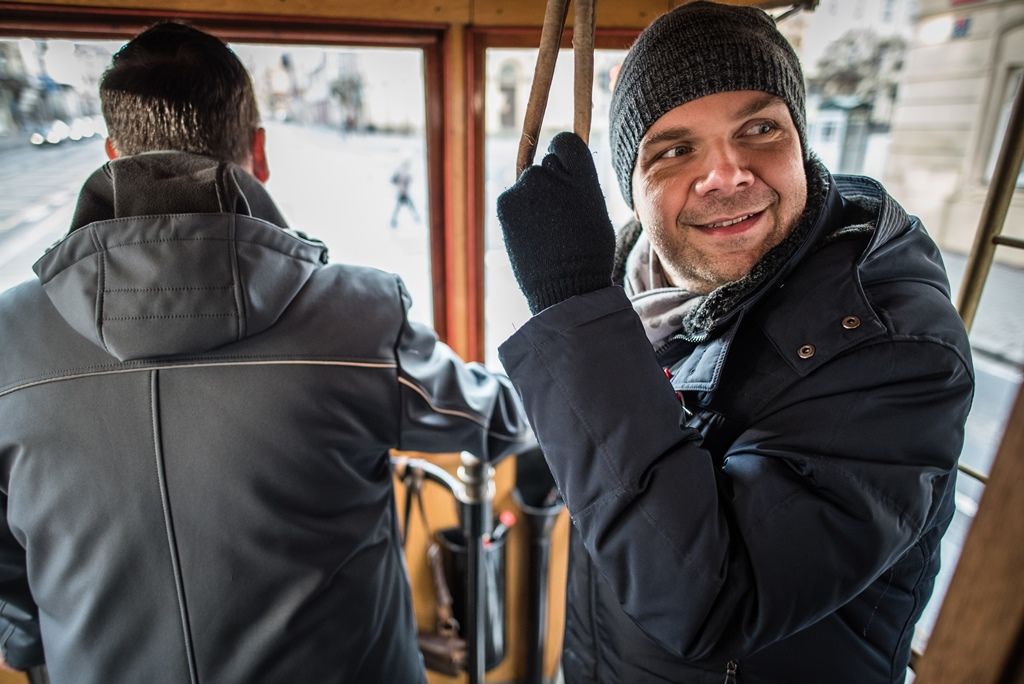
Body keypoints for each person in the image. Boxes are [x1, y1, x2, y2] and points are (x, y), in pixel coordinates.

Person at [0, 22, 530, 684]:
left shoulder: (7, 340)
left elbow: (11, 580)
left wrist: (34, 652)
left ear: (113, 153)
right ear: (258, 149)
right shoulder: (358, 321)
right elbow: (499, 421)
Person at [496, 2, 974, 682]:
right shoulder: (636, 295)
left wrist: (571, 303)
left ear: (801, 144)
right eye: (674, 149)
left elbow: (710, 602)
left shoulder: (892, 348)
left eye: (759, 129)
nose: (727, 174)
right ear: (633, 190)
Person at [390, 159, 420, 228]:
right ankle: (393, 221)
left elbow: (409, 180)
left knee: (402, 207)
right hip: (402, 193)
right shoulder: (401, 173)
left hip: (404, 193)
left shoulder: (404, 173)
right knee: (403, 207)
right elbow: (393, 181)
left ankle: (393, 220)